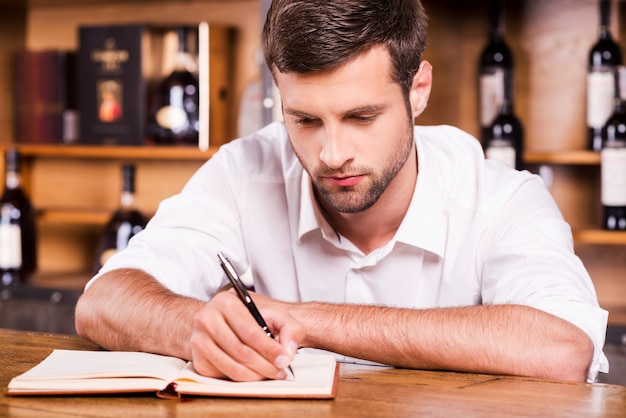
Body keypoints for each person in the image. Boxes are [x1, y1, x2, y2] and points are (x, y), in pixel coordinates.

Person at [75, 0, 608, 384]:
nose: (331, 153)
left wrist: (304, 319)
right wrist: (196, 328)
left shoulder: (504, 198)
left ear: (418, 89)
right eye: (304, 119)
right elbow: (103, 301)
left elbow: (562, 348)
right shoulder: (244, 171)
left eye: (361, 116)